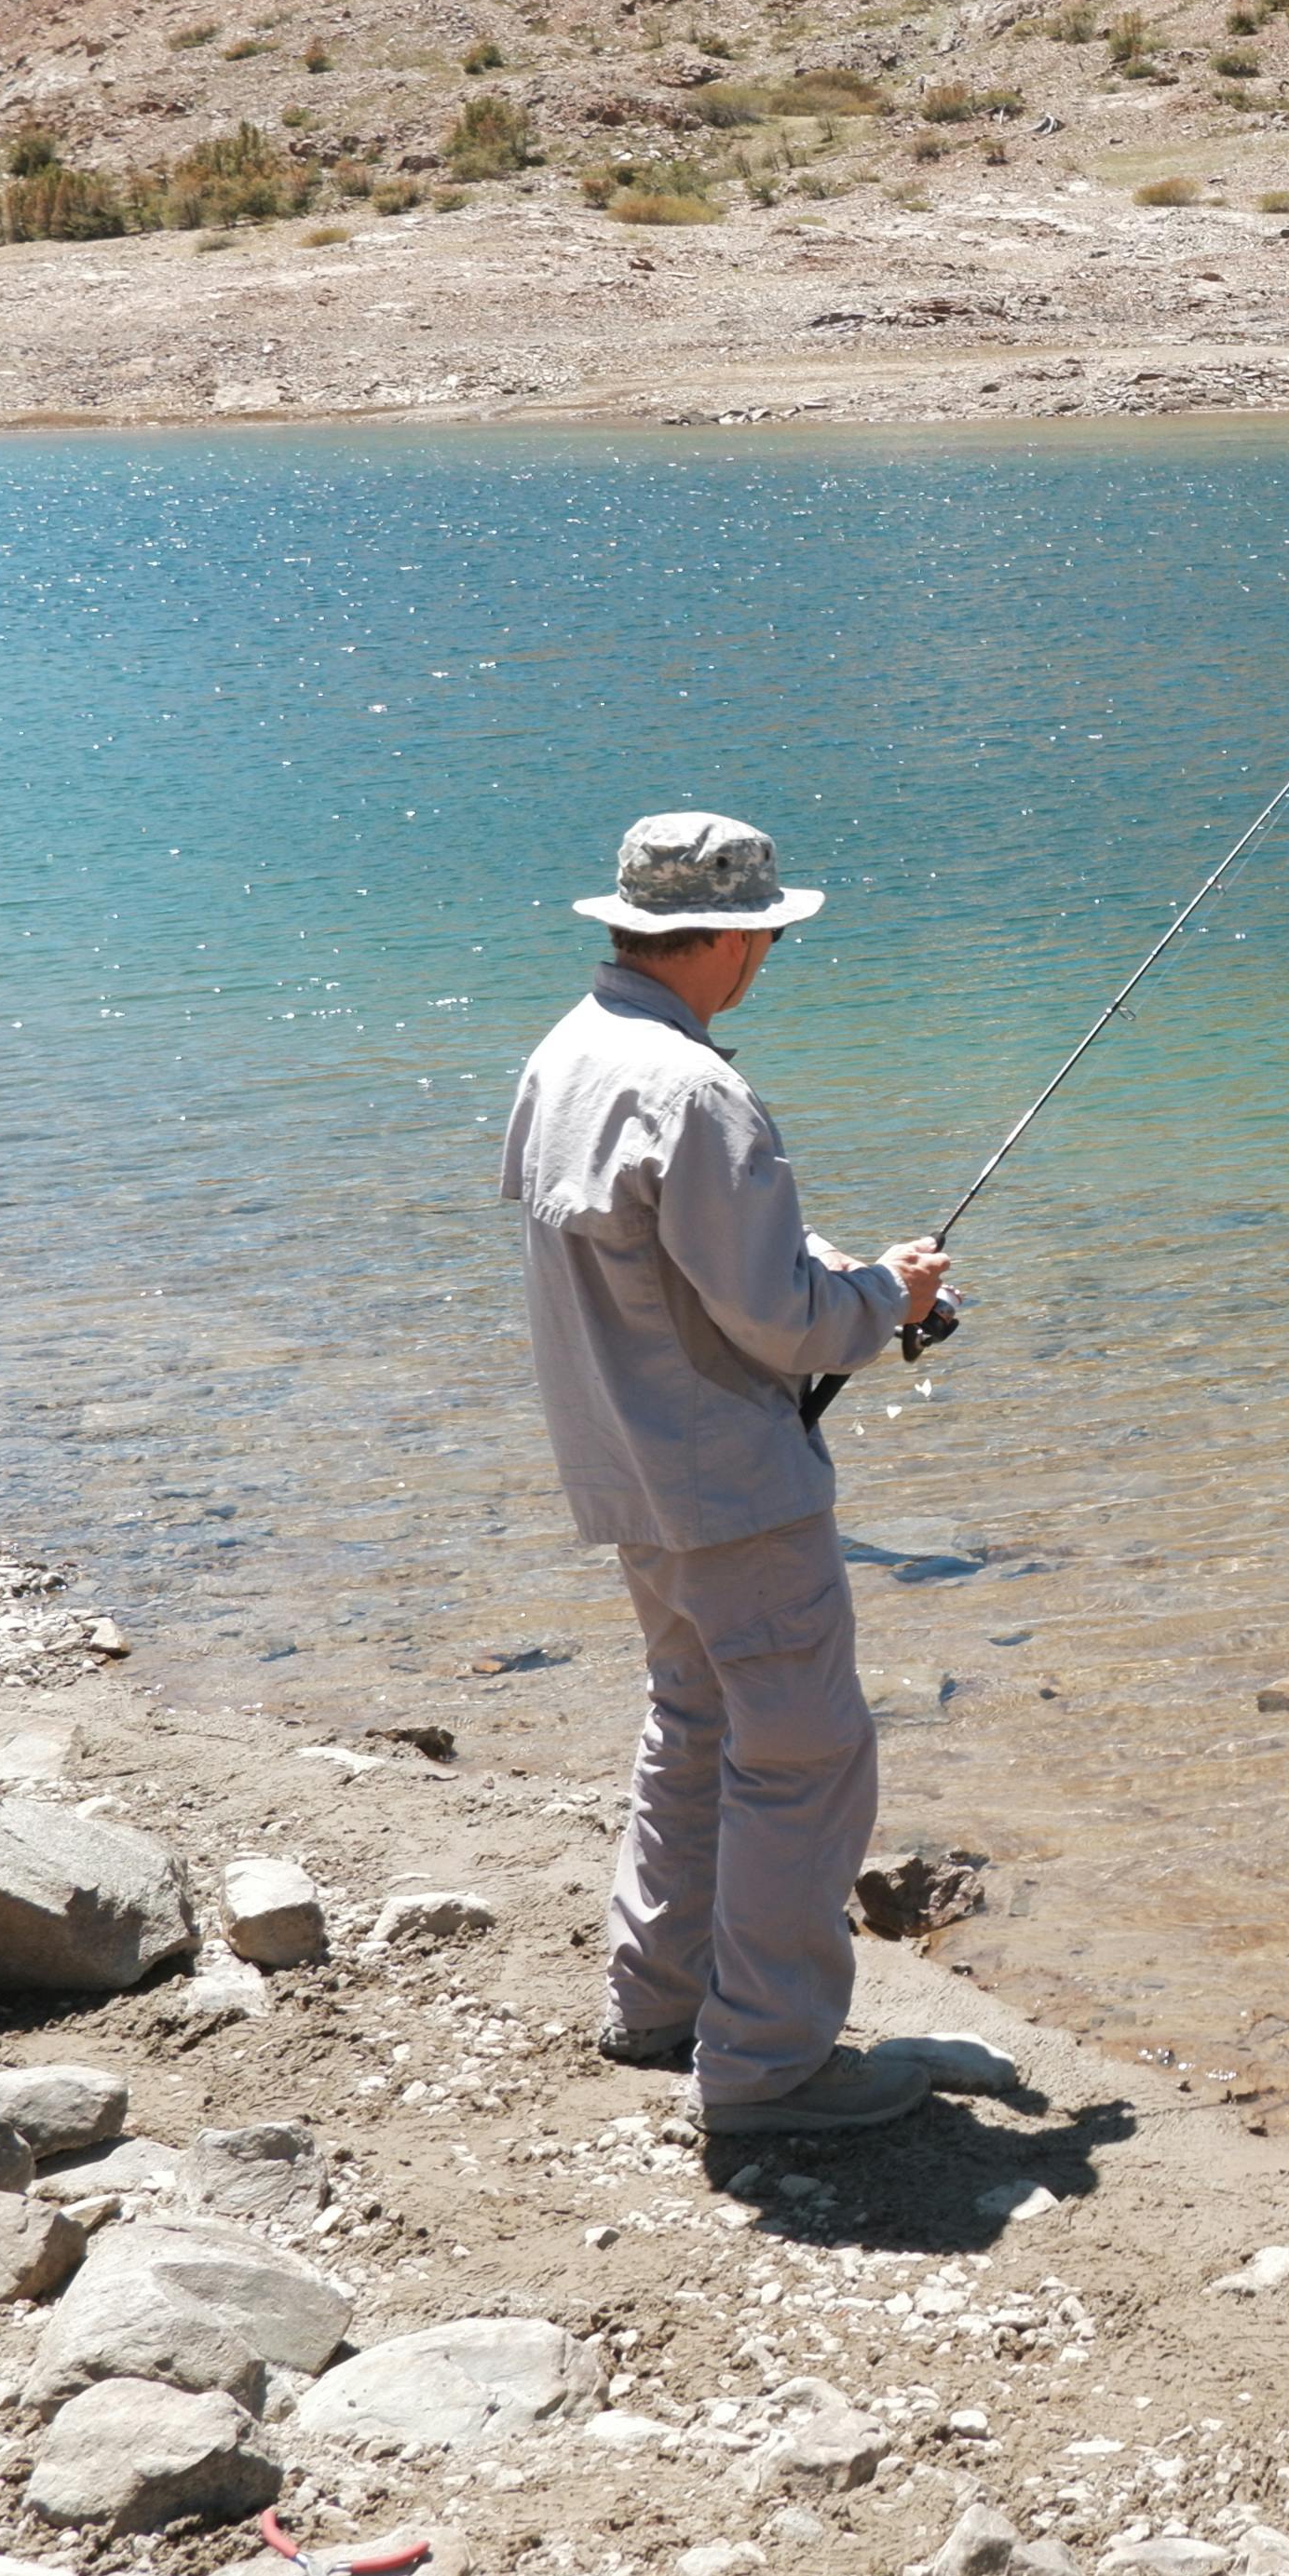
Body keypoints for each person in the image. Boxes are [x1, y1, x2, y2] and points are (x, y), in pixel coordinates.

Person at [498, 807, 952, 2136]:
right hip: (730, 1485)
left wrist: (850, 1292)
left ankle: (658, 2001)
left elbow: (672, 1270)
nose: (767, 960)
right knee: (806, 1758)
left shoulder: (565, 1053)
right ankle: (768, 2066)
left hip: (624, 1465)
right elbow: (784, 1321)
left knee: (693, 1721)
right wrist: (889, 1294)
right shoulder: (697, 1090)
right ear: (733, 938)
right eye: (765, 937)